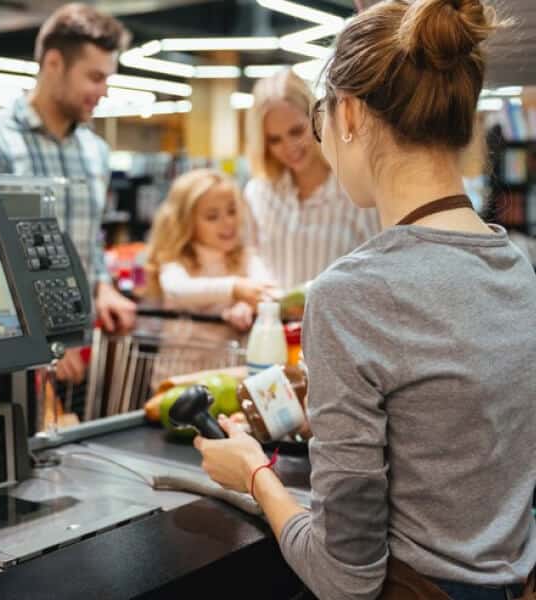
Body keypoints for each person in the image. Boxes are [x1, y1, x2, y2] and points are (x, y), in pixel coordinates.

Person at [195, 1, 536, 599]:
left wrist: (253, 474)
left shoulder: (350, 296)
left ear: (348, 113)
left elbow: (343, 577)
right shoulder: (518, 266)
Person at [0, 3, 137, 383]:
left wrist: (102, 287)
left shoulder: (94, 152)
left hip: (78, 351)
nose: (104, 91)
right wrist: (41, 341)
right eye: (95, 77)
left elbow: (87, 240)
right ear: (53, 63)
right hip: (2, 360)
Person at [244, 69, 380, 291]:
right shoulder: (257, 193)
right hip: (272, 323)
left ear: (318, 119)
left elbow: (378, 267)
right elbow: (248, 254)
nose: (289, 147)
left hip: (338, 322)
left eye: (297, 131)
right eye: (274, 140)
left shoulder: (357, 191)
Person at [146, 169, 274, 331]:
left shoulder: (246, 258)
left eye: (232, 211)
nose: (228, 222)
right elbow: (177, 289)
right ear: (186, 222)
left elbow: (268, 291)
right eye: (212, 216)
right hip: (178, 356)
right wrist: (234, 288)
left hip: (231, 356)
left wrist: (247, 305)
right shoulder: (175, 259)